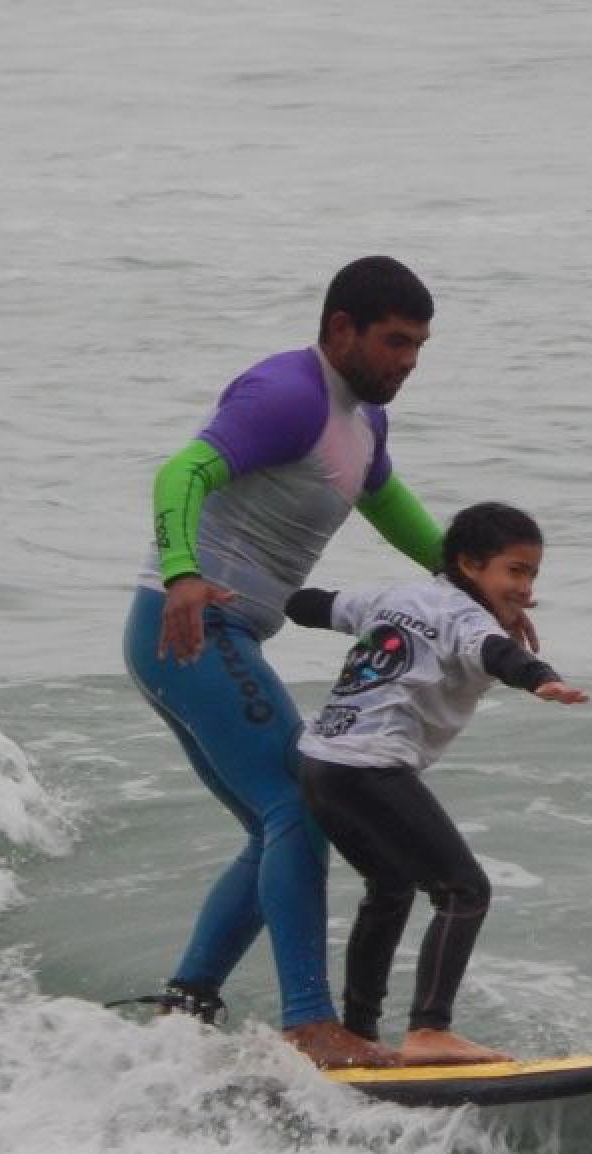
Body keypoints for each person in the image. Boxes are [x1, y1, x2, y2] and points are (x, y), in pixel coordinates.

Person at [125, 256, 463, 1070]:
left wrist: (470, 583)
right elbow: (181, 473)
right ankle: (310, 1026)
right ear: (341, 328)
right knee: (300, 807)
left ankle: (188, 1004)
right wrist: (180, 574)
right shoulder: (289, 395)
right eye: (394, 343)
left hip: (203, 640)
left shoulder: (362, 419)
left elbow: (386, 505)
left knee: (271, 822)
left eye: (419, 347)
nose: (407, 363)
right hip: (192, 630)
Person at [284, 501, 589, 1065]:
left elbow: (309, 606)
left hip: (321, 761)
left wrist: (256, 590)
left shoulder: (395, 596)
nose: (525, 588)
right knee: (465, 891)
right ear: (471, 565)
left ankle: (357, 1035)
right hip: (371, 764)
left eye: (532, 575)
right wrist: (541, 679)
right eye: (515, 571)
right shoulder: (468, 618)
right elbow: (495, 653)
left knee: (392, 886)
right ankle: (429, 1028)